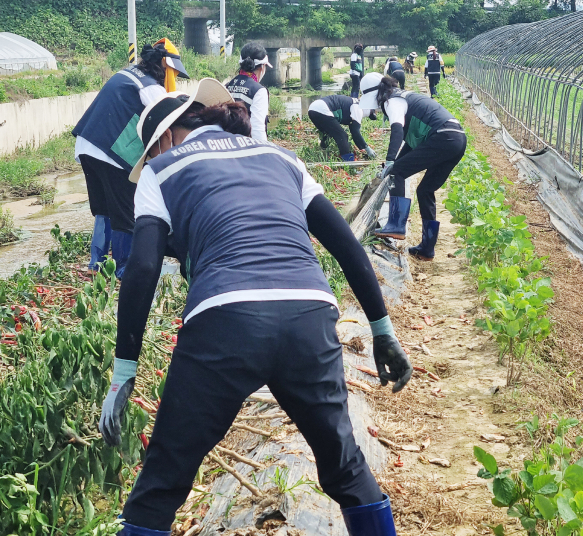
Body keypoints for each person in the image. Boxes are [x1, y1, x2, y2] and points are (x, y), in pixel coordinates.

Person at [99, 79, 412, 536]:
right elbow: (346, 244)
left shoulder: (161, 169)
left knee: (163, 482)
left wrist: (124, 372)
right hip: (309, 313)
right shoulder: (282, 158)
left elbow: (143, 267)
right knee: (344, 467)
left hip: (225, 318)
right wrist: (382, 330)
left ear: (163, 139)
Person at [72, 40, 188, 277]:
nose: (173, 78)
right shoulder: (151, 89)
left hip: (86, 145)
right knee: (125, 211)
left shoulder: (126, 73)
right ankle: (122, 268)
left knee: (104, 209)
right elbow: (165, 127)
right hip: (110, 154)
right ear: (165, 66)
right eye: (174, 73)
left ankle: (97, 264)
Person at [359, 72, 466, 261]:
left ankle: (396, 224)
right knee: (425, 189)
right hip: (456, 138)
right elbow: (410, 143)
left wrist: (392, 162)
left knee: (397, 172)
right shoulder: (404, 98)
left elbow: (397, 130)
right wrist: (394, 163)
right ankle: (427, 249)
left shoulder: (392, 102)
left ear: (377, 94)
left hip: (443, 136)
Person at [308, 94, 376, 162]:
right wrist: (367, 148)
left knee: (328, 132)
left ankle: (323, 153)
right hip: (322, 109)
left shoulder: (354, 102)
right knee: (342, 136)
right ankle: (349, 163)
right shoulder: (358, 108)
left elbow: (353, 132)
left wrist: (362, 148)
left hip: (312, 109)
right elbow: (356, 133)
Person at [226, 41, 271, 142]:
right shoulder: (259, 91)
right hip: (246, 148)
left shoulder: (227, 86)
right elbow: (257, 129)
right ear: (263, 67)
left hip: (227, 146)